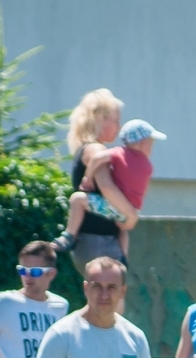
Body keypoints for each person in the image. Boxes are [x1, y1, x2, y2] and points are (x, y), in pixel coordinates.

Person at [56, 118, 164, 262]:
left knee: (77, 199)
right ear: (143, 143)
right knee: (121, 229)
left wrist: (88, 178)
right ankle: (123, 258)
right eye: (151, 145)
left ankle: (69, 235)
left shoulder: (119, 153)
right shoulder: (148, 166)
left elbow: (96, 159)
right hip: (130, 211)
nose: (151, 149)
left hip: (113, 206)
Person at [52, 89, 131, 272]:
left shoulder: (86, 149)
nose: (119, 127)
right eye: (116, 120)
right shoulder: (96, 150)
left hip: (92, 241)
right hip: (97, 241)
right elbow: (107, 188)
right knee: (110, 298)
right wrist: (131, 215)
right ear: (101, 119)